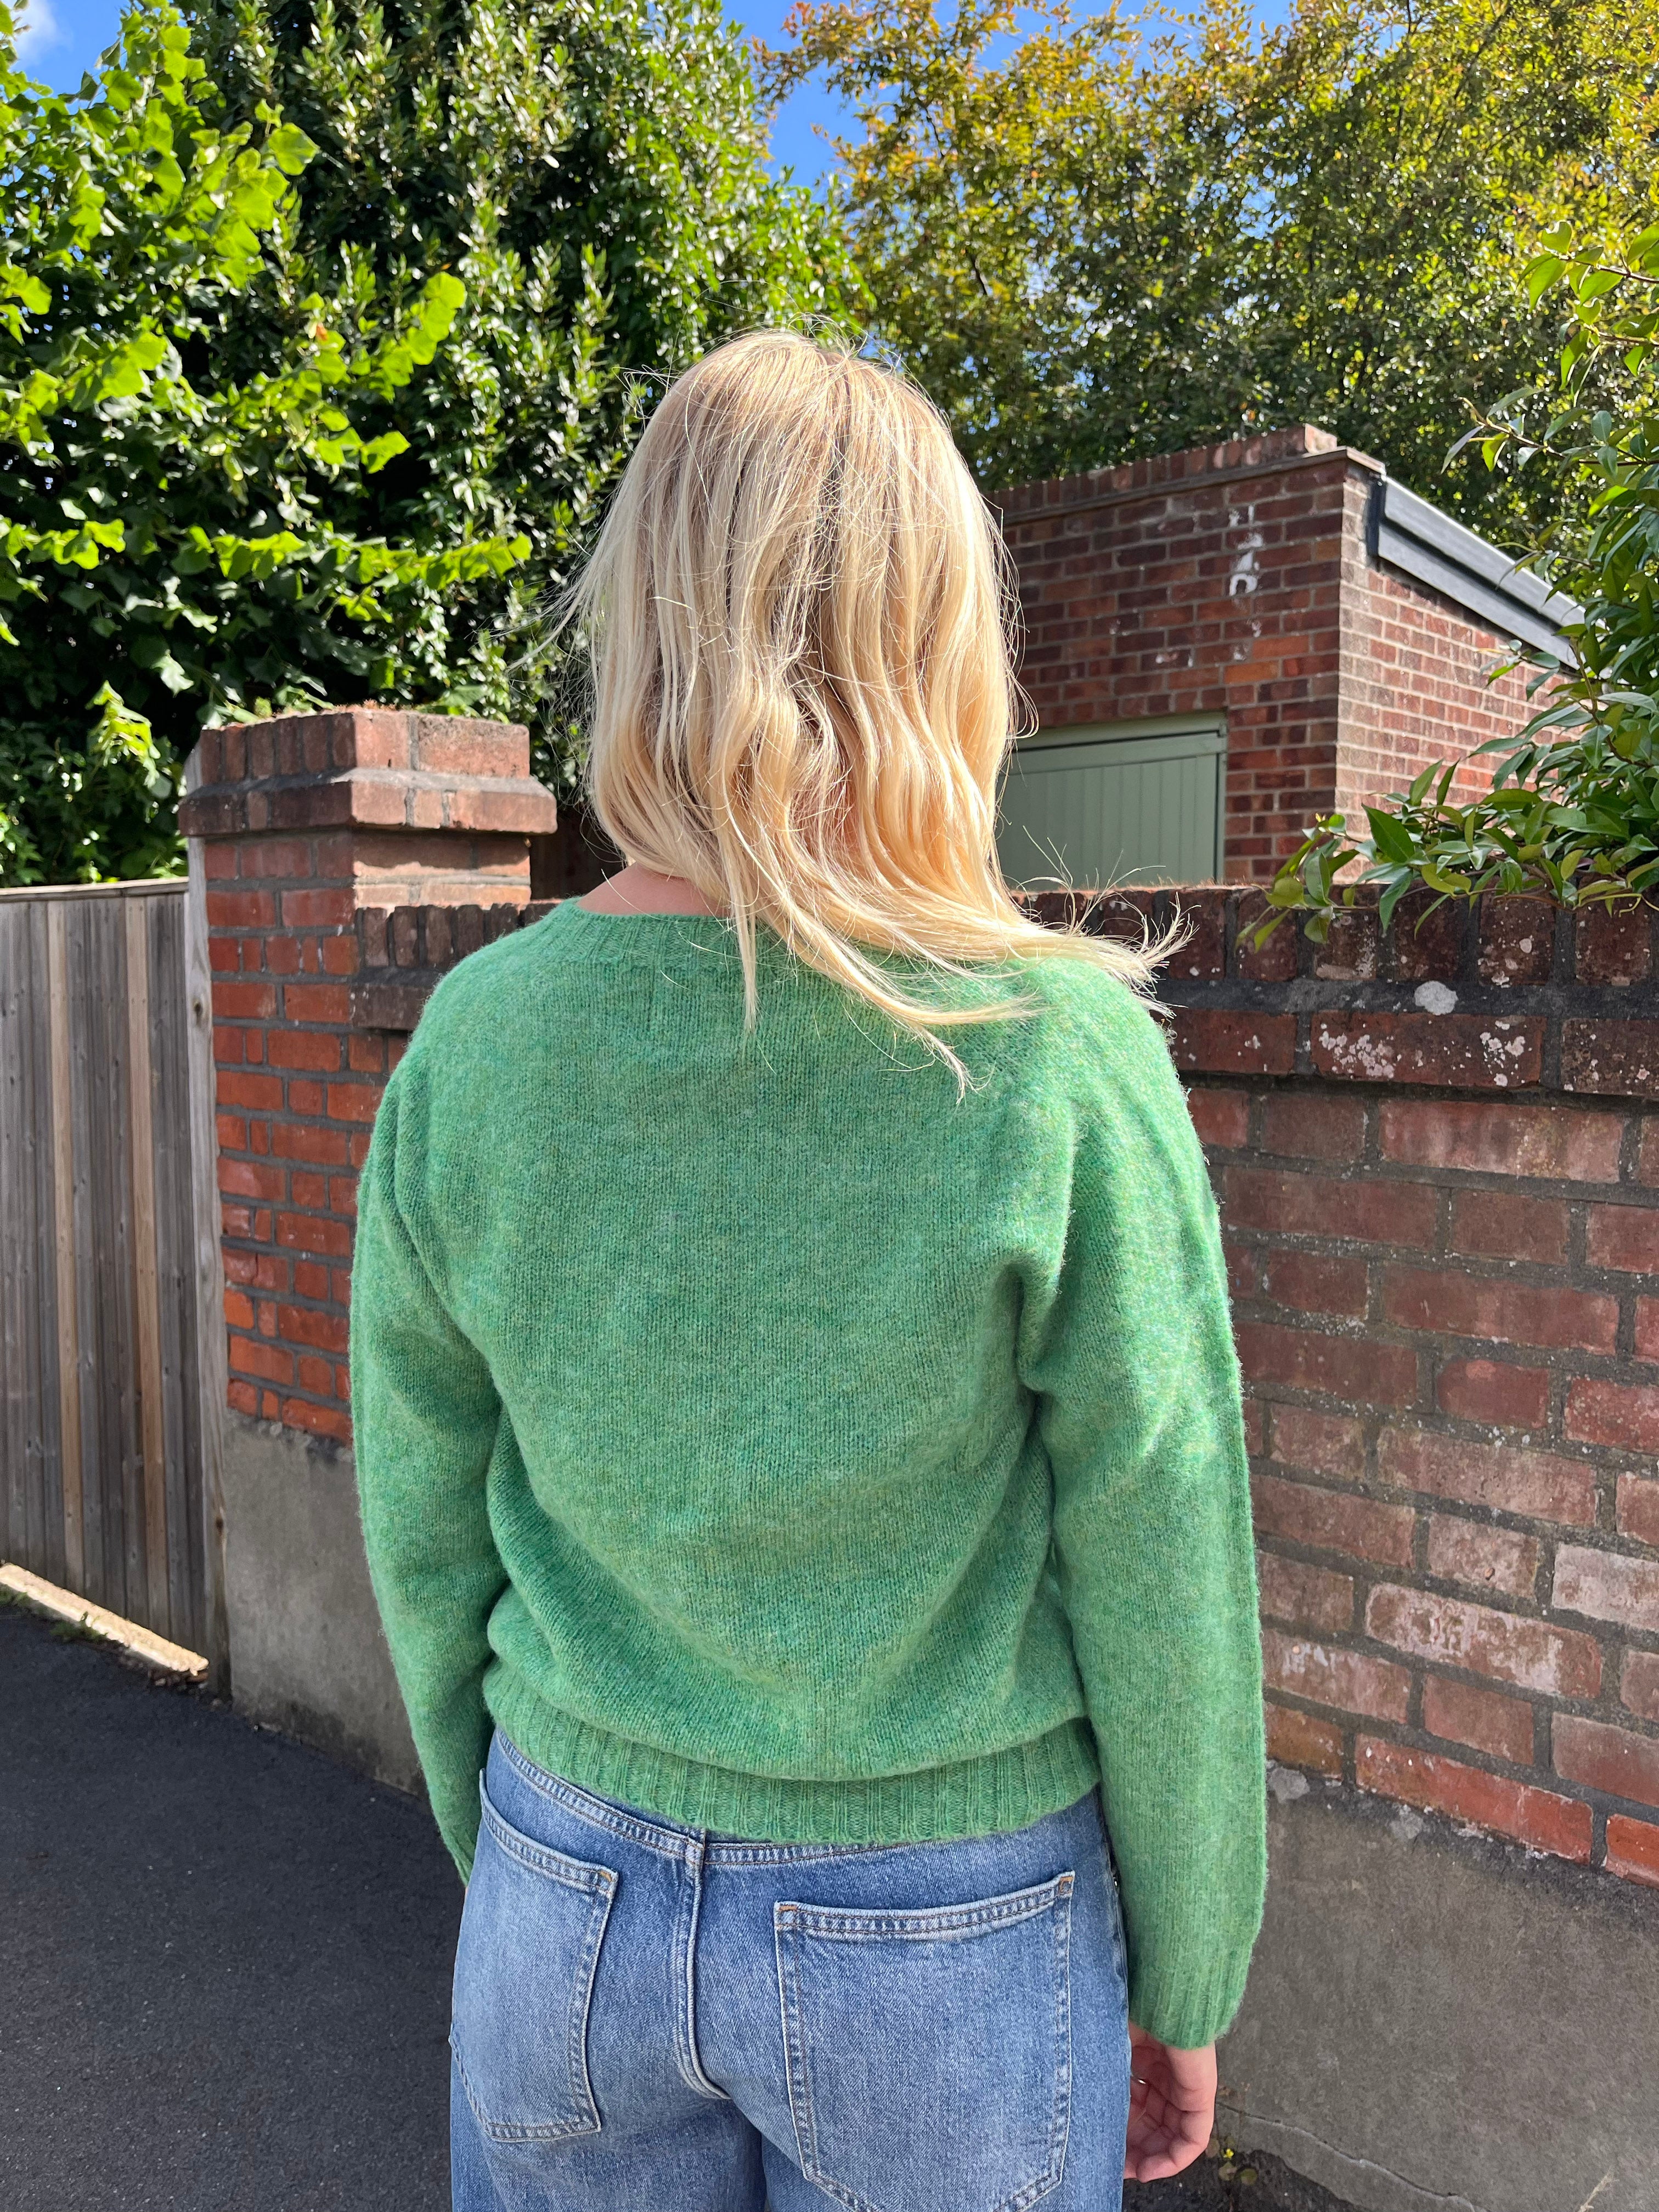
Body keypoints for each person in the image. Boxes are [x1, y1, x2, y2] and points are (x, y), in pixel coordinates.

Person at [350, 330, 1265, 2212]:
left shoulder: (478, 1043)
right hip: (955, 1919)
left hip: (562, 1877)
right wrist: (1191, 1969)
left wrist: (512, 1839)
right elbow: (1165, 1539)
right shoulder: (1049, 1053)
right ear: (939, 645)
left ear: (651, 617)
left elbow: (424, 1513)